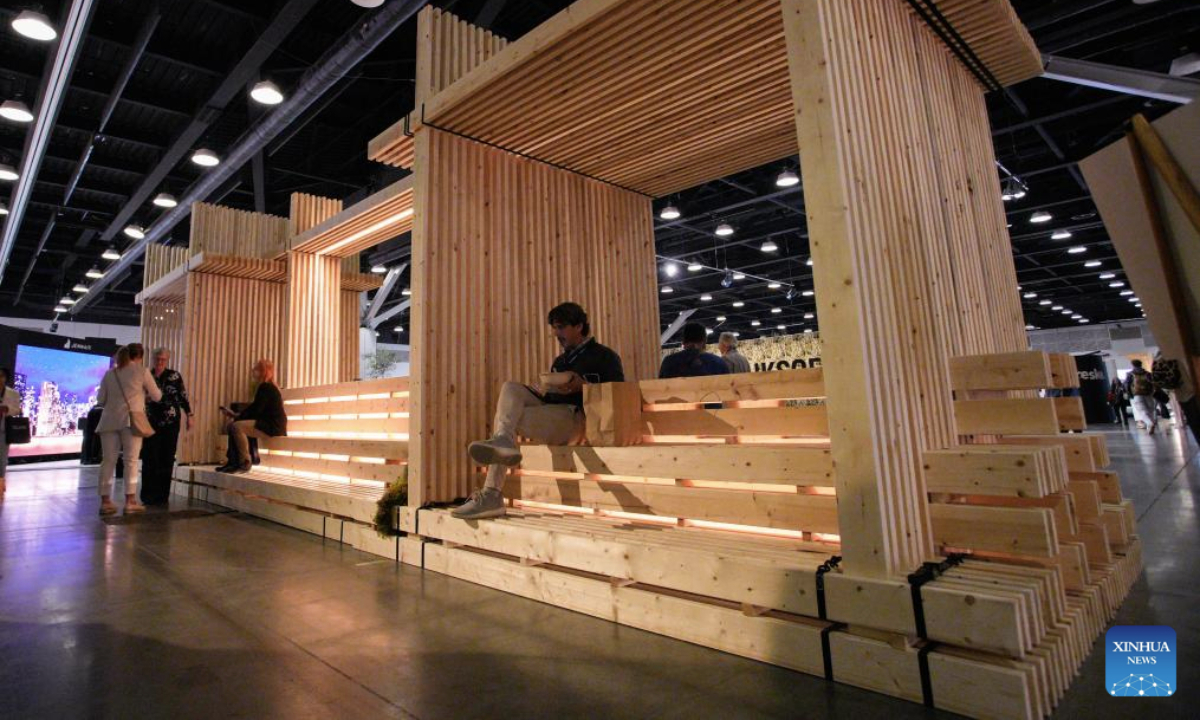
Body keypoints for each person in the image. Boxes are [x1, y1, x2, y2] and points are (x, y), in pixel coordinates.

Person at [453, 302, 624, 520]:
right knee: (510, 389)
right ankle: (503, 442)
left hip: (579, 419)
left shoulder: (605, 356)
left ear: (579, 326)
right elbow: (550, 395)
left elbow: (618, 393)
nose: (555, 333)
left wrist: (584, 385)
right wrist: (542, 390)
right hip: (555, 411)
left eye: (561, 327)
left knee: (507, 418)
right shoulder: (560, 361)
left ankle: (491, 493)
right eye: (554, 328)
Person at [95, 343, 162, 516]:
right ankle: (130, 501)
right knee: (130, 461)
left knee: (108, 460)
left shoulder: (110, 374)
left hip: (109, 421)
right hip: (131, 422)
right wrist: (142, 396)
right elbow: (157, 396)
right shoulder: (142, 371)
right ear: (140, 356)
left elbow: (100, 399)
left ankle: (105, 501)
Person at [139, 348, 192, 505]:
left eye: (163, 359)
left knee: (166, 458)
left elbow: (183, 396)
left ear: (167, 360)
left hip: (171, 423)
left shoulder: (174, 376)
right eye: (157, 359)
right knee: (149, 458)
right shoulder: (147, 374)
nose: (160, 362)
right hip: (150, 422)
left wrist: (190, 415)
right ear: (153, 359)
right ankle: (148, 495)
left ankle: (162, 496)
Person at [217, 359, 286, 474]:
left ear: (263, 371)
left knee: (236, 426)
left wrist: (237, 416)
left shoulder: (266, 387)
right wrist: (236, 415)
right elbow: (255, 408)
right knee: (232, 425)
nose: (253, 372)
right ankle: (232, 462)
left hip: (273, 426)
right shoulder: (266, 387)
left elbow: (256, 410)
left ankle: (244, 462)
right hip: (268, 424)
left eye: (256, 369)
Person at [659, 322, 730, 379]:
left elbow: (660, 390)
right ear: (704, 341)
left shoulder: (668, 362)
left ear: (683, 341)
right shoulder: (718, 363)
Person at [0, 367, 20, 497]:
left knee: (2, 460)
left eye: (1, 376)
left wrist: (7, 409)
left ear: (6, 378)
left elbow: (17, 410)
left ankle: (1, 487)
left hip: (3, 431)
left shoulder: (13, 393)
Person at [1125, 359, 1157, 434]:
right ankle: (1150, 426)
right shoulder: (1147, 373)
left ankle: (1149, 424)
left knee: (1142, 411)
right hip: (1148, 394)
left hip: (1137, 394)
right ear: (1141, 364)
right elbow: (1153, 383)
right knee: (1150, 410)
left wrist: (1130, 394)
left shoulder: (1130, 374)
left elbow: (1126, 385)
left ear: (1133, 365)